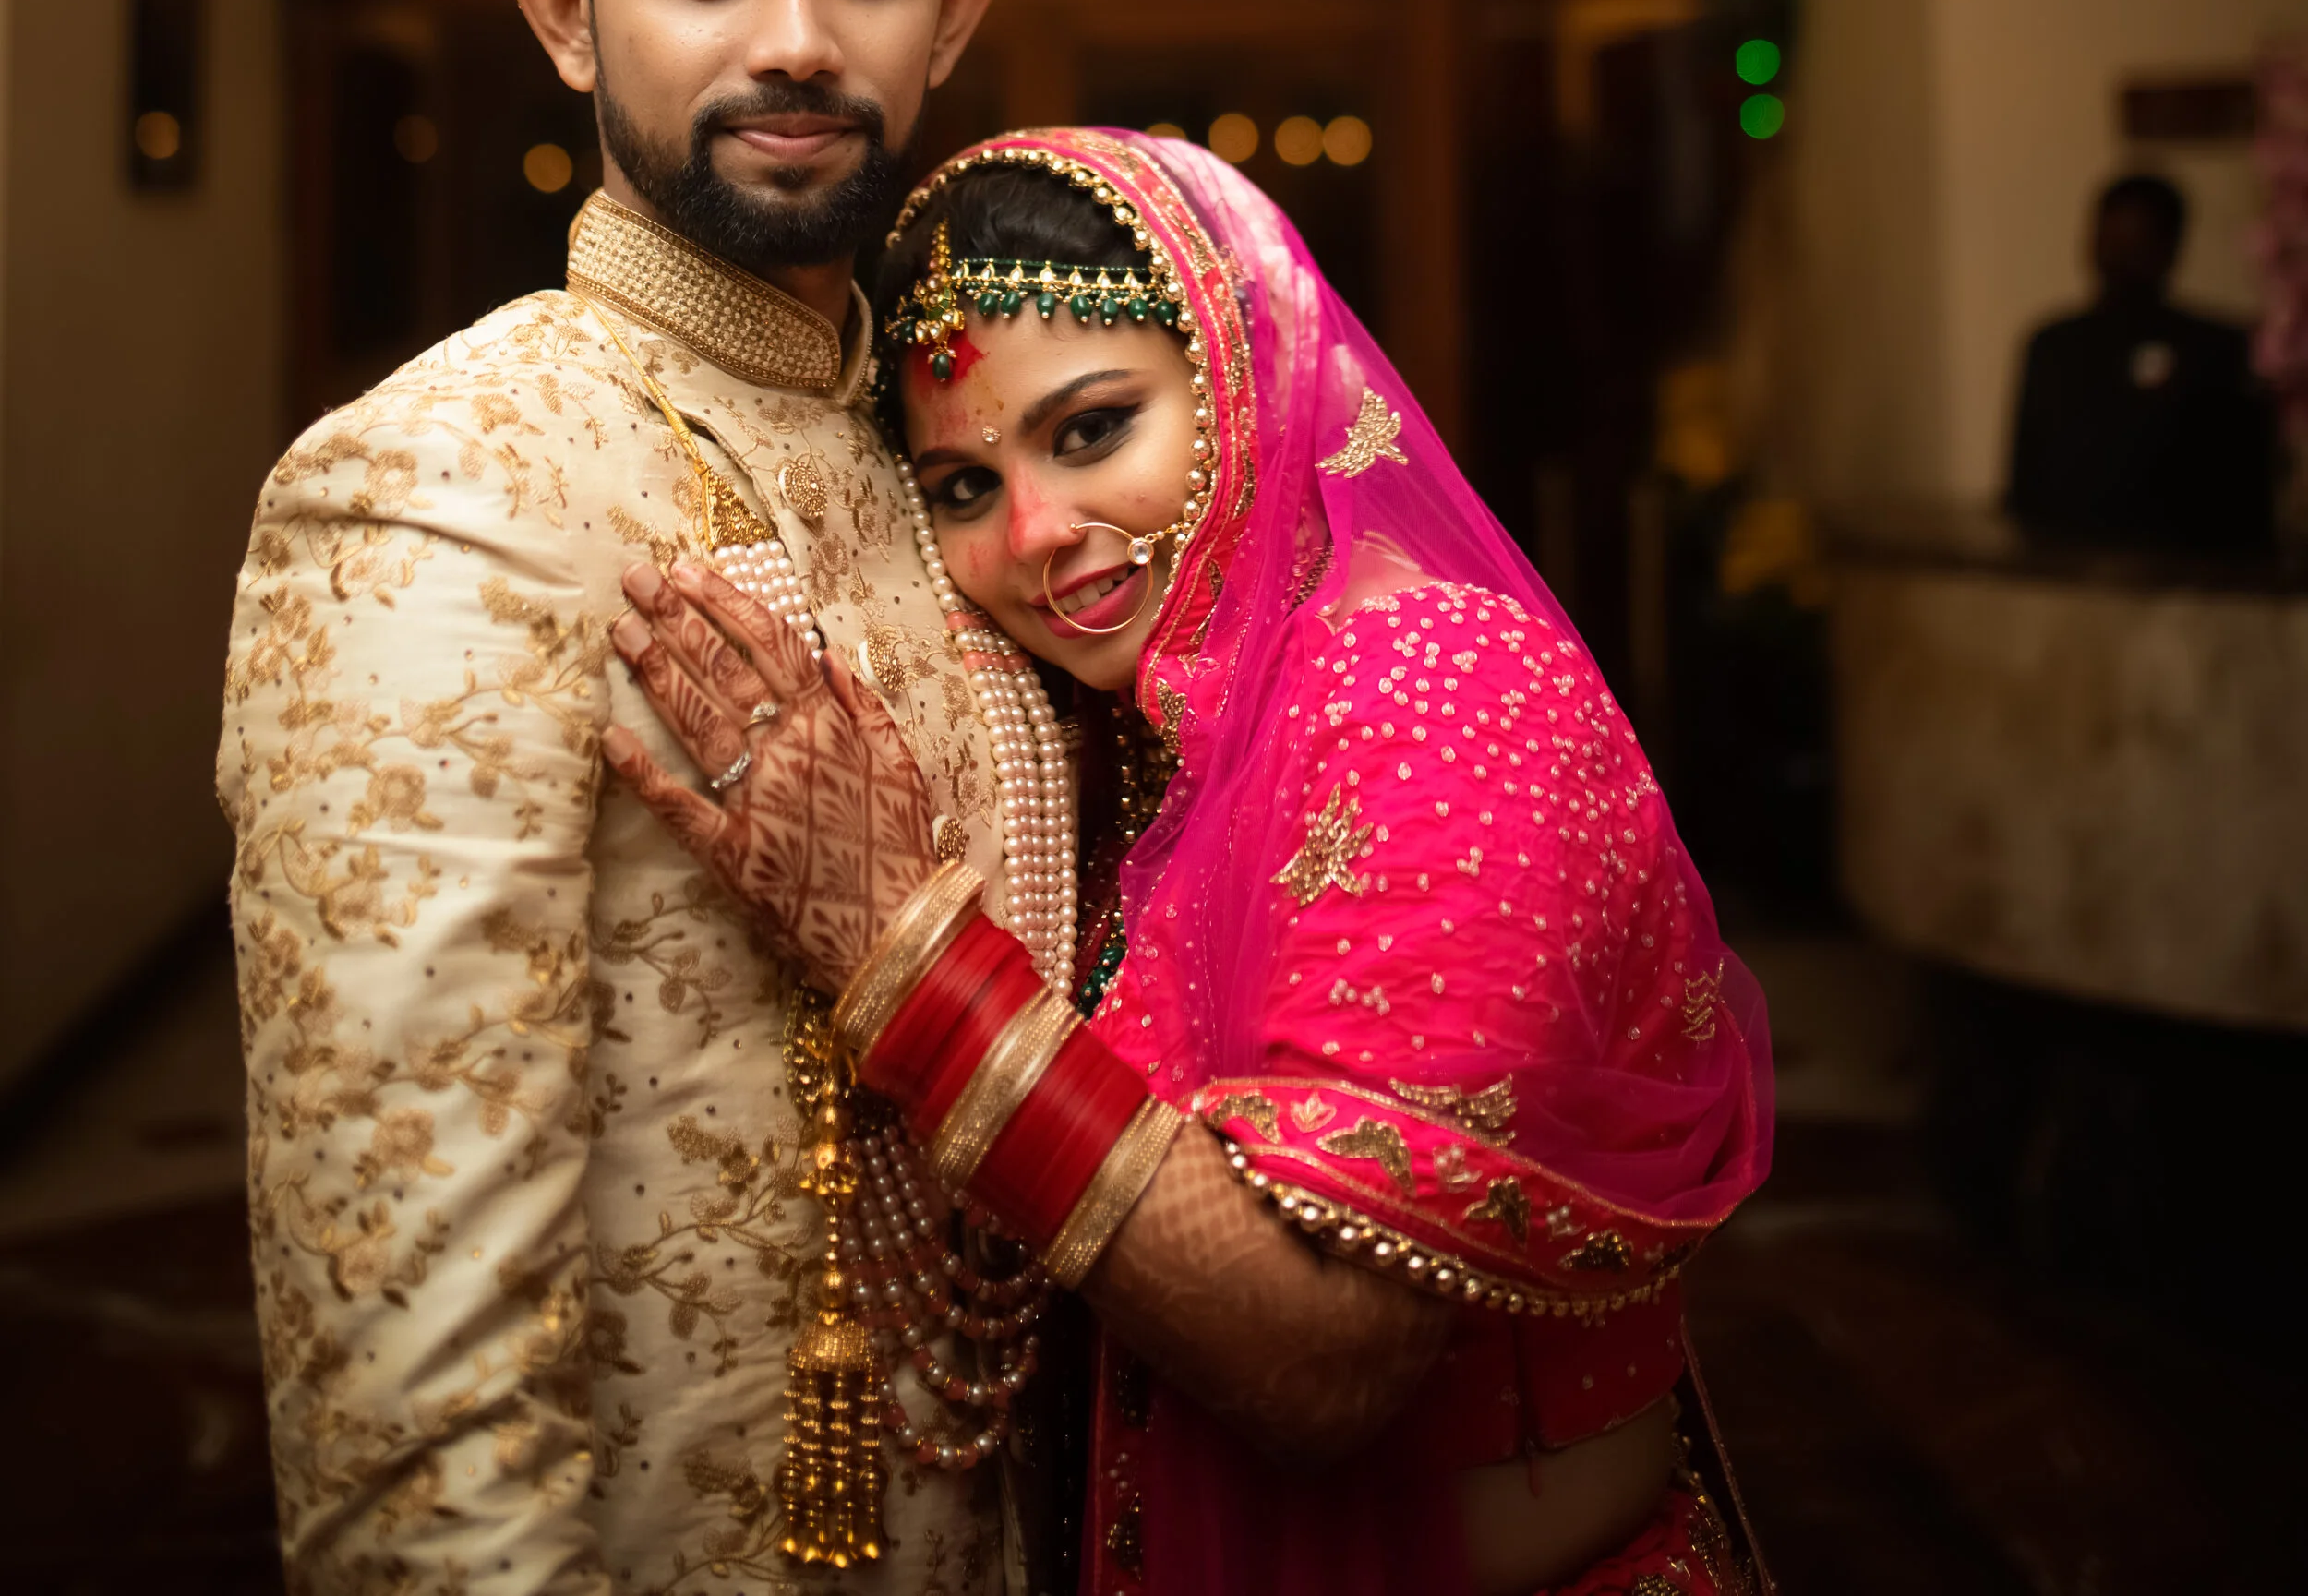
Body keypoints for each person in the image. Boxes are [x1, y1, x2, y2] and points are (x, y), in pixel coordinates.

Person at [607, 127, 1773, 1596]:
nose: (1037, 534)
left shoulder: (1426, 683)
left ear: (1245, 373)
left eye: (1093, 429)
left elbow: (1324, 1352)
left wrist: (901, 948)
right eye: (963, 486)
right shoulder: (1155, 738)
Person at [217, 0, 1077, 1596]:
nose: (794, 37)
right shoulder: (442, 488)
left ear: (948, 17)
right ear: (565, 14)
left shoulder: (951, 458)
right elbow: (408, 1394)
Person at [2005, 171, 2278, 556]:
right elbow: (2025, 484)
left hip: (2188, 579)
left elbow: (2245, 498)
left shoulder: (2216, 349)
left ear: (2170, 247)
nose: (2119, 255)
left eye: (2137, 241)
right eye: (2111, 237)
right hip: (2064, 576)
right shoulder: (2052, 347)